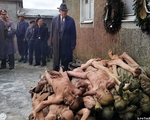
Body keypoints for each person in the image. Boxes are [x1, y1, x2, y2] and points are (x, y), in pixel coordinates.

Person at [48, 3, 76, 71]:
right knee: (56, 59)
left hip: (67, 44)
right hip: (57, 43)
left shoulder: (71, 20)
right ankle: (56, 72)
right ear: (59, 11)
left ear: (67, 11)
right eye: (62, 11)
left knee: (66, 59)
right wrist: (50, 41)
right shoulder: (54, 19)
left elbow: (73, 33)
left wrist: (73, 44)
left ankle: (66, 73)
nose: (64, 12)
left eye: (65, 11)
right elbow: (51, 31)